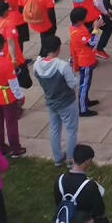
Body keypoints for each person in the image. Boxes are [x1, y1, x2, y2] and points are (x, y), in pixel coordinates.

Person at [35, 35, 80, 164]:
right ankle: (71, 159)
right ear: (58, 48)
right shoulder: (62, 66)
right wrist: (74, 75)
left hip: (51, 101)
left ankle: (58, 157)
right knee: (71, 130)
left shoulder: (37, 65)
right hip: (66, 102)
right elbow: (73, 84)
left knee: (54, 129)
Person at [55, 145, 110, 223]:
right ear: (87, 162)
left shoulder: (59, 180)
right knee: (104, 221)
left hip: (65, 222)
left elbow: (58, 203)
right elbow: (99, 212)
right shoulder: (90, 186)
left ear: (73, 159)